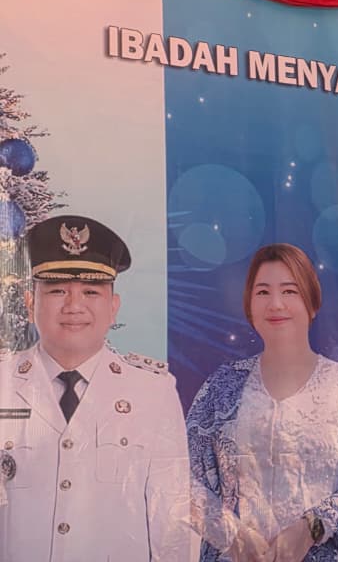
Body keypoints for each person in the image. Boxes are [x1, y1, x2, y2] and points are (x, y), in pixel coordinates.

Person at [0, 215, 191, 561]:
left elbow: (172, 523)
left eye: (91, 291)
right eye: (57, 290)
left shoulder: (153, 393)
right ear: (30, 304)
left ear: (113, 307)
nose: (74, 306)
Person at [186, 243, 338, 562]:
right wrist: (232, 535)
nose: (276, 304)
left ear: (312, 303)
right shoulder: (222, 386)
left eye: (289, 291)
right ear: (249, 305)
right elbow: (184, 479)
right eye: (263, 292)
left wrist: (311, 528)